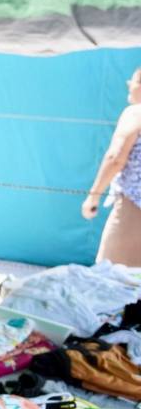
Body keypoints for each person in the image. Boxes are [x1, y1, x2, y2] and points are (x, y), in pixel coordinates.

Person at [82, 67, 141, 265]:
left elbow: (115, 157)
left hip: (134, 210)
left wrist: (94, 195)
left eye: (131, 82)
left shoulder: (135, 113)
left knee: (111, 275)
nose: (129, 87)